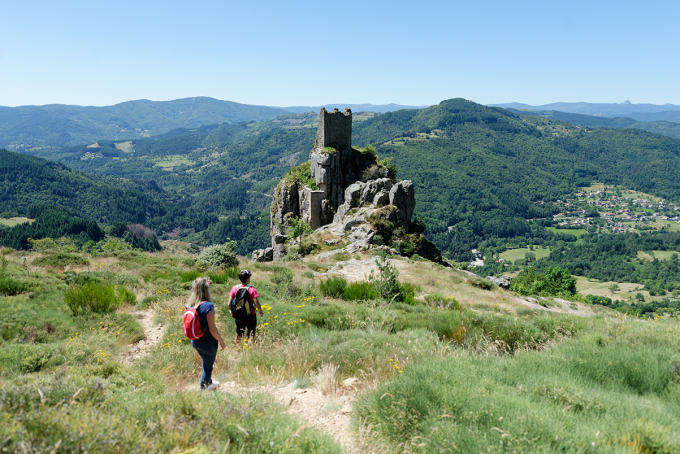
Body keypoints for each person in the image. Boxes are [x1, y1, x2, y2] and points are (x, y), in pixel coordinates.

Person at [187, 277, 226, 390]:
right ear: (206, 289)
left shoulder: (189, 303)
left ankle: (209, 382)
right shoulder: (208, 306)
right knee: (207, 367)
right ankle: (204, 390)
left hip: (195, 341)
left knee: (206, 362)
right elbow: (212, 328)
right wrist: (221, 340)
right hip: (208, 342)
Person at [229, 269, 263, 350]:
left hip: (238, 315)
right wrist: (261, 312)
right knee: (251, 333)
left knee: (239, 333)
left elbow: (228, 303)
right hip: (250, 315)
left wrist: (232, 312)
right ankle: (250, 348)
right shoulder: (251, 289)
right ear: (247, 279)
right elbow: (257, 303)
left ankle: (237, 349)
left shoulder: (234, 288)